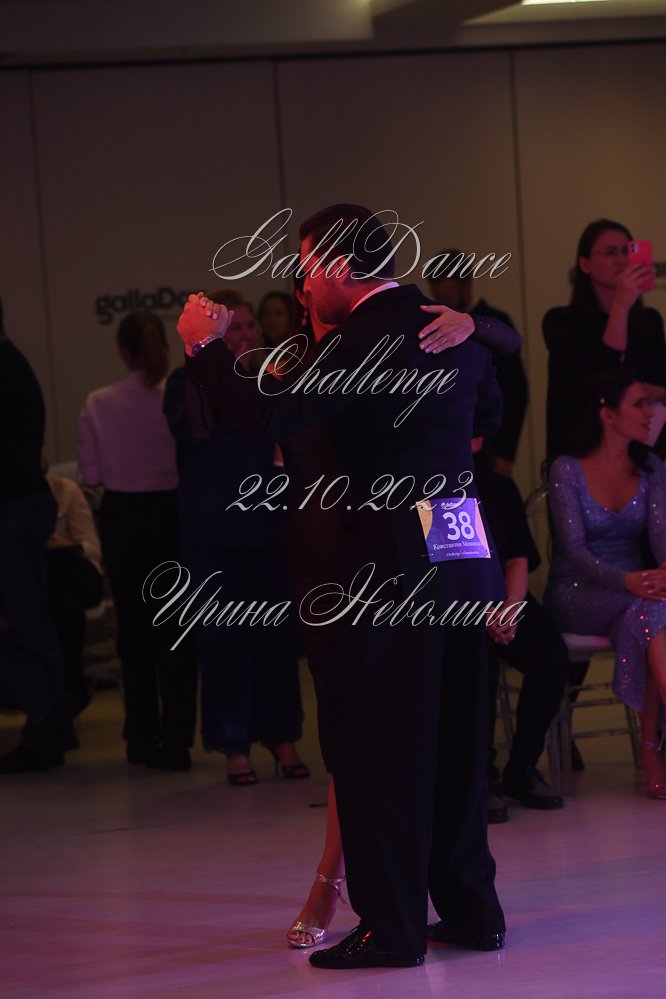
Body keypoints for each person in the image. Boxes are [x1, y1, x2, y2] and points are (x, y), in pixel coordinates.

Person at [177, 204, 520, 969]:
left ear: (336, 267)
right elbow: (489, 414)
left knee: (378, 744)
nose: (302, 284)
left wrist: (203, 347)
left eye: (306, 269)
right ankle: (473, 910)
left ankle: (392, 927)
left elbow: (268, 416)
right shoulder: (449, 326)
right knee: (458, 736)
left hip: (388, 563)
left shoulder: (362, 338)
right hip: (462, 545)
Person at [163, 289, 307, 785]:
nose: (244, 336)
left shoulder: (271, 379)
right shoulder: (187, 381)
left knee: (277, 640)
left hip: (268, 527)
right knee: (224, 641)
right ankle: (234, 743)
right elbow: (199, 430)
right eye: (233, 328)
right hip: (214, 531)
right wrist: (222, 368)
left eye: (248, 327)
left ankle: (283, 736)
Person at [78, 310, 197, 770]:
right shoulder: (177, 397)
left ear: (122, 352)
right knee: (176, 631)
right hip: (171, 514)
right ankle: (178, 738)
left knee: (135, 632)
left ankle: (141, 736)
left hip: (124, 518)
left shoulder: (98, 403)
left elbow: (91, 475)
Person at [545, 368, 666, 799]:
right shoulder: (567, 469)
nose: (651, 413)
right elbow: (574, 550)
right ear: (607, 413)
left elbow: (660, 540)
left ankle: (651, 750)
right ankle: (653, 750)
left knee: (650, 612)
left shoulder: (651, 468)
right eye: (639, 404)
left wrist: (661, 572)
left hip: (638, 591)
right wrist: (627, 580)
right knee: (652, 611)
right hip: (579, 590)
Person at [472, 439, 568, 820]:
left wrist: (509, 609)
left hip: (503, 596)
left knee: (550, 654)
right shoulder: (429, 488)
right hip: (454, 603)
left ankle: (522, 766)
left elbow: (517, 559)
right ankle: (480, 775)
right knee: (475, 659)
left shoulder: (498, 487)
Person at [0, 298, 71, 774]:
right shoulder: (13, 364)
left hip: (12, 508)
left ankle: (48, 714)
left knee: (28, 623)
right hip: (20, 504)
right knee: (31, 623)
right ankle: (49, 718)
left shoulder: (7, 367)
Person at [543, 218, 666, 465]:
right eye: (610, 252)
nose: (621, 260)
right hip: (584, 455)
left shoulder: (649, 320)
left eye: (627, 251)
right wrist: (622, 303)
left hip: (645, 453)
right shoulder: (562, 321)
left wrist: (658, 392)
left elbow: (661, 378)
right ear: (585, 264)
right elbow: (600, 376)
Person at [427, 249, 528, 476]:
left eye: (448, 298)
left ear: (466, 286)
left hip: (490, 442)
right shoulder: (434, 325)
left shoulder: (494, 324)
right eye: (439, 298)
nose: (444, 304)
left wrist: (506, 453)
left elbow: (515, 392)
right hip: (448, 442)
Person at [46, 470, 104, 719]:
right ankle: (68, 688)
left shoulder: (64, 491)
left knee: (60, 584)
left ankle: (66, 687)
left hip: (68, 573)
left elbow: (93, 548)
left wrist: (64, 546)